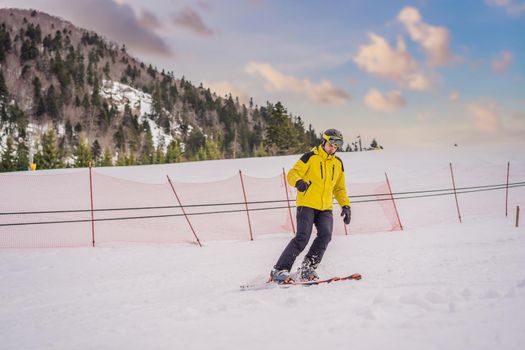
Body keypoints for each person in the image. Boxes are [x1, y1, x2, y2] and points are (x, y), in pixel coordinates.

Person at [270, 129, 351, 283]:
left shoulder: (338, 163)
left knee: (326, 235)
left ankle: (307, 267)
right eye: (331, 144)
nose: (333, 147)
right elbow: (292, 173)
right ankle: (279, 269)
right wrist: (298, 182)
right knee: (302, 237)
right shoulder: (310, 157)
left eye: (336, 146)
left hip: (325, 207)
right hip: (306, 204)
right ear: (324, 142)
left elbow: (339, 188)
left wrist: (346, 205)